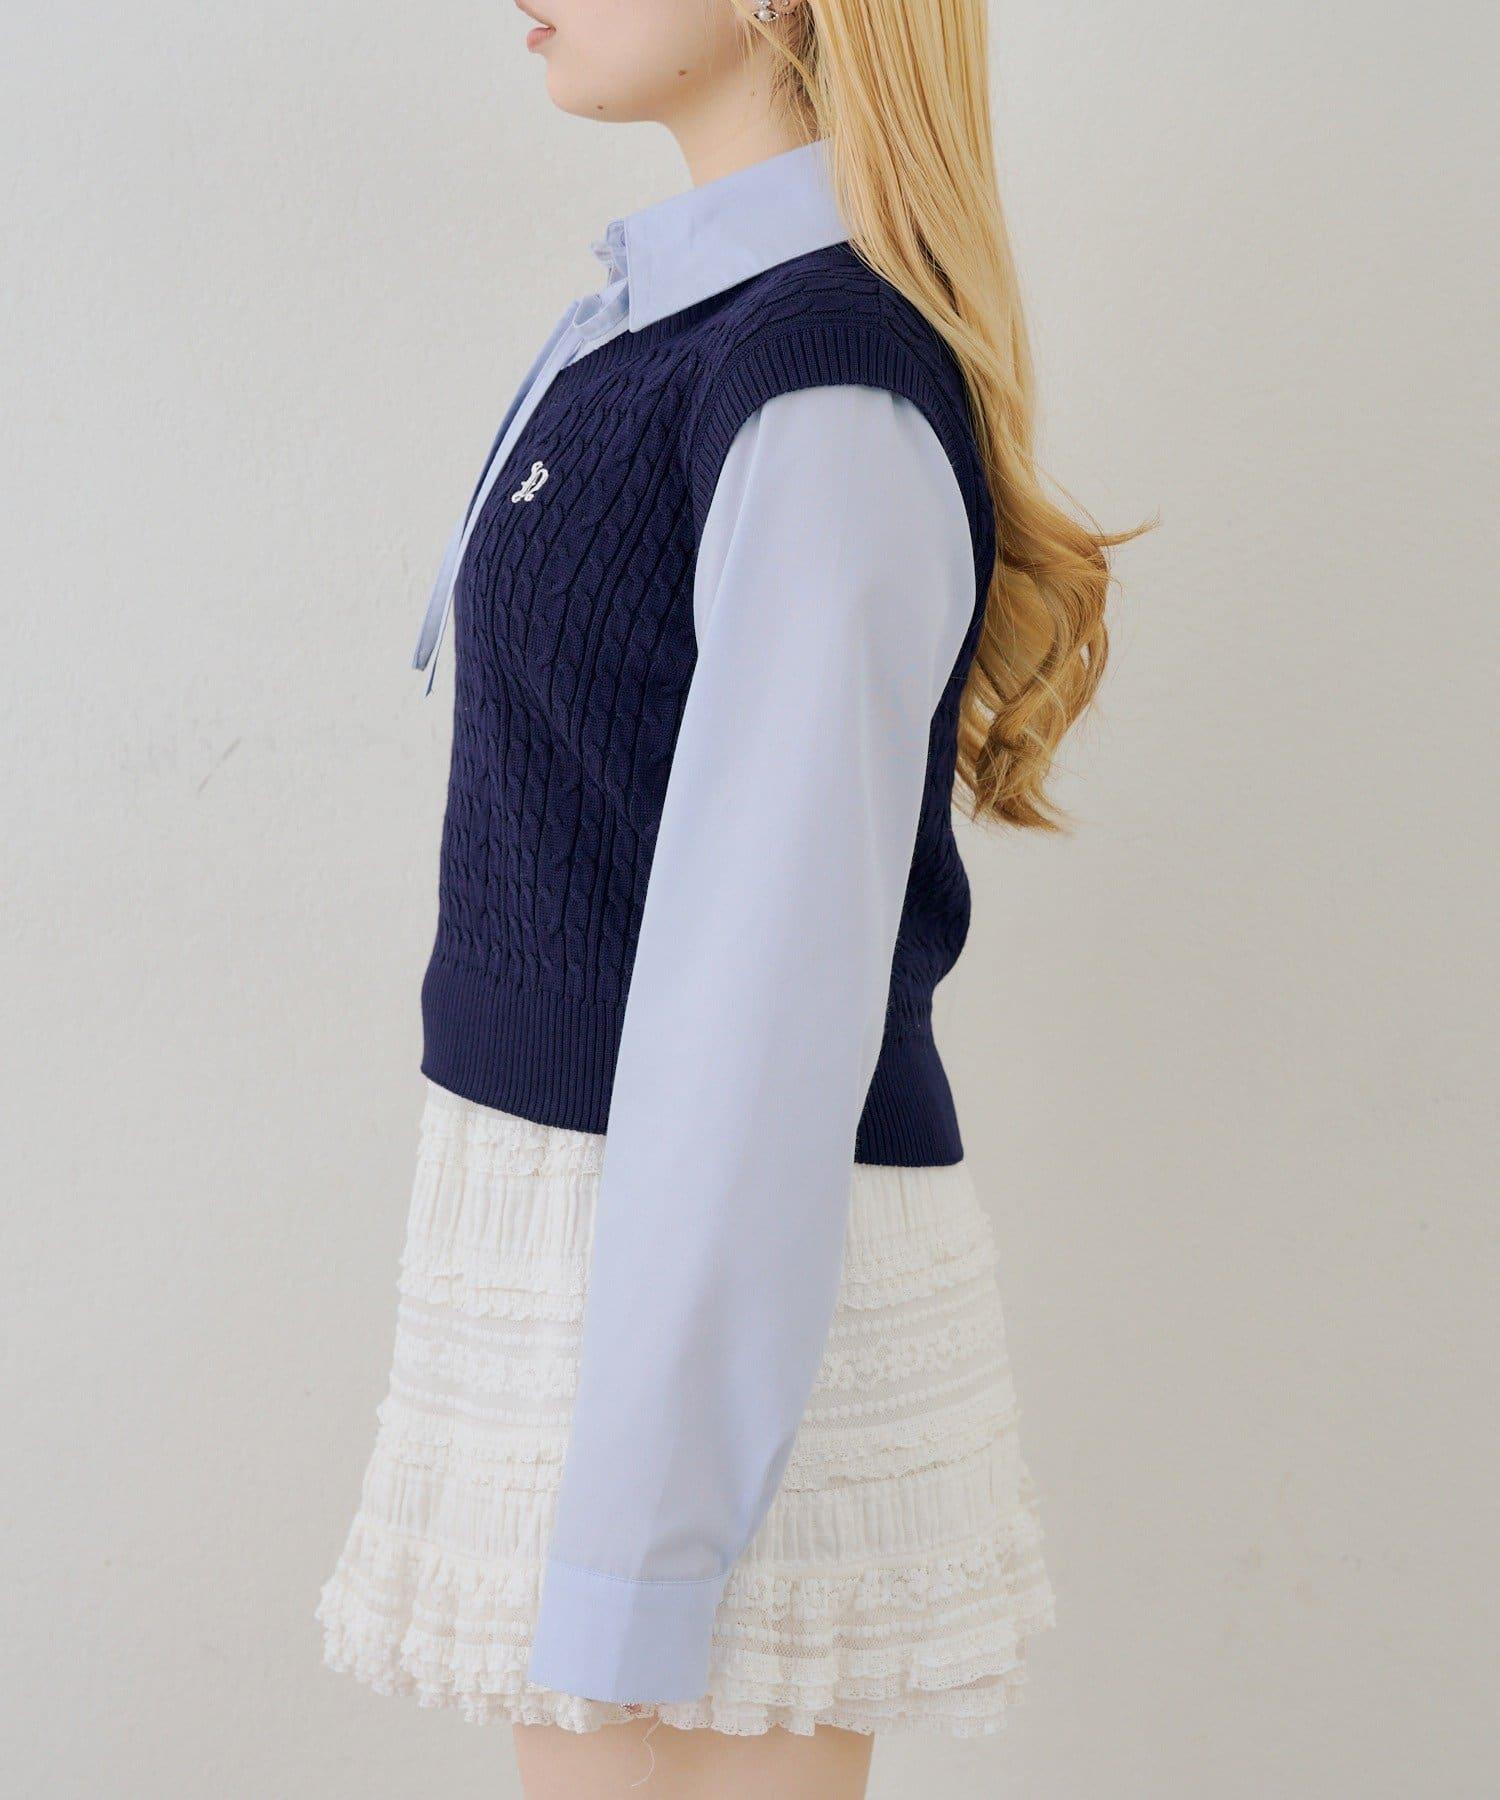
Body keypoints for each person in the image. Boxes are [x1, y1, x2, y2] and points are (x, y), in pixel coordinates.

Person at [318, 2, 1126, 1792]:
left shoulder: (817, 377)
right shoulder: (664, 328)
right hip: (604, 1254)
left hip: (709, 1298)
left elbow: (766, 999)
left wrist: (646, 1536)